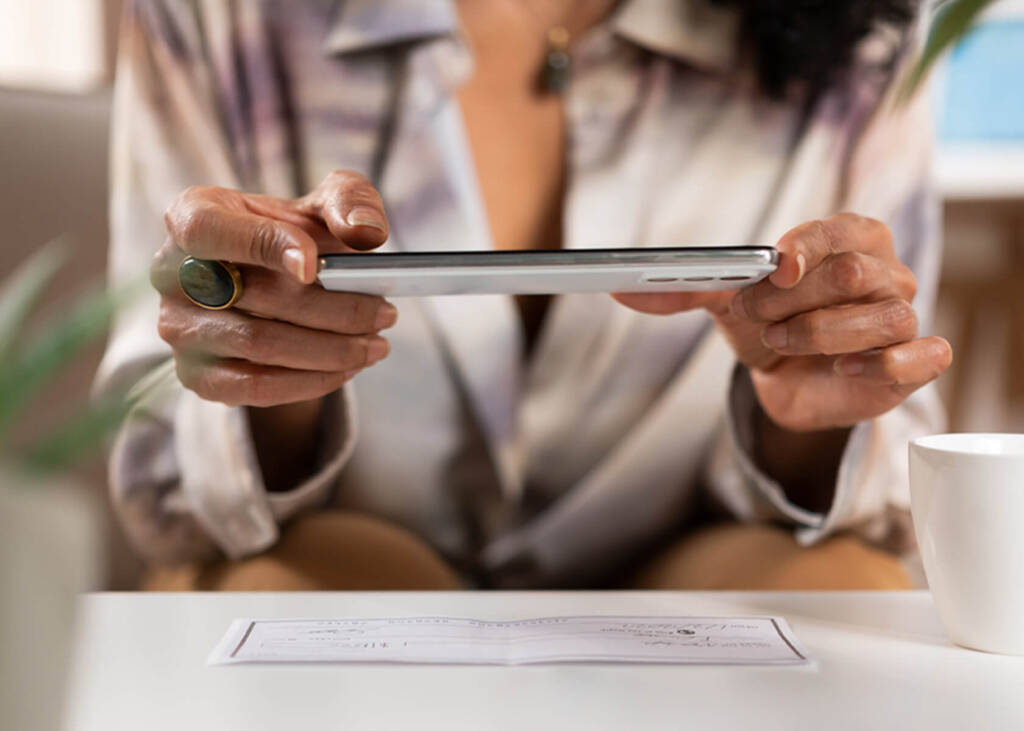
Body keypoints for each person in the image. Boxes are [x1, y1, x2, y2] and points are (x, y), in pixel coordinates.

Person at [96, 0, 952, 591]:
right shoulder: (216, 15)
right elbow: (158, 477)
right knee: (271, 594)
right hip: (321, 559)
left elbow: (891, 466)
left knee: (842, 595)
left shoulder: (869, 33)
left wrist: (801, 424)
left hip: (710, 568)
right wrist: (264, 376)